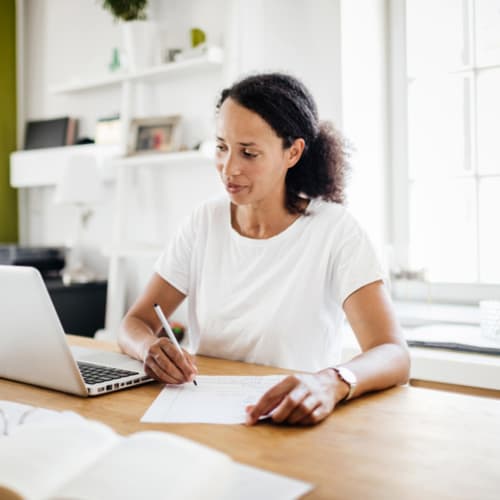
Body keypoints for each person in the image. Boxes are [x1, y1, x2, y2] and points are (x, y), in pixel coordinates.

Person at [118, 72, 410, 426]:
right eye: (222, 147)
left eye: (249, 153)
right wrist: (148, 349)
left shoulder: (335, 230)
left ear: (293, 152)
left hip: (293, 421)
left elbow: (393, 353)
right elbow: (135, 322)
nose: (229, 168)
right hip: (206, 417)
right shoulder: (204, 222)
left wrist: (330, 382)